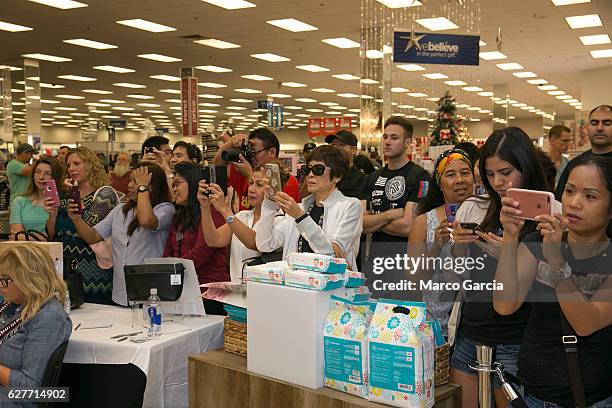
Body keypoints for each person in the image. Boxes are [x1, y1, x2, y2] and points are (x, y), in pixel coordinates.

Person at [448, 127, 561, 408]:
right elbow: (454, 277)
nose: (498, 182)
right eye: (489, 174)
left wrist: (511, 255)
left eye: (506, 172)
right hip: (469, 333)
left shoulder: (553, 214)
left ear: (526, 167)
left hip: (518, 340)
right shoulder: (473, 208)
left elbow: (558, 286)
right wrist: (459, 247)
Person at [495, 155, 612, 407]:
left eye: (590, 196)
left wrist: (556, 260)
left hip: (591, 397)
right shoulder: (538, 242)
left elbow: (585, 323)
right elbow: (505, 305)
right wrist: (509, 237)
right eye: (569, 191)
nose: (575, 203)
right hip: (532, 392)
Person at [66, 164, 174, 306]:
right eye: (130, 181)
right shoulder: (120, 210)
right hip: (120, 294)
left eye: (135, 182)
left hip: (150, 295)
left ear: (151, 186)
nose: (129, 185)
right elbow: (92, 237)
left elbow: (146, 220)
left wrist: (142, 188)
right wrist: (76, 219)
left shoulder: (165, 209)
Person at [255, 145, 363, 270]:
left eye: (318, 169)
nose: (310, 175)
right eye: (307, 170)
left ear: (338, 176)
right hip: (297, 284)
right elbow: (265, 244)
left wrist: (300, 217)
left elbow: (333, 257)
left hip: (332, 287)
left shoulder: (350, 206)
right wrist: (269, 205)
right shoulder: (301, 208)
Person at [408, 148, 474, 338]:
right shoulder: (424, 222)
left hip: (474, 327)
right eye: (450, 174)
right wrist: (436, 247)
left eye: (465, 173)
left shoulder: (488, 216)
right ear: (440, 183)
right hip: (435, 326)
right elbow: (413, 282)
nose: (460, 180)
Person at [360, 116, 431, 284]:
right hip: (375, 263)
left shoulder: (420, 177)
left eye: (394, 137)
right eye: (385, 137)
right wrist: (390, 215)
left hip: (404, 265)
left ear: (407, 143)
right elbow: (360, 224)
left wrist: (374, 221)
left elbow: (408, 226)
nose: (387, 142)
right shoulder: (372, 178)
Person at [45, 146, 119, 305]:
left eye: (77, 163)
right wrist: (52, 214)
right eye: (69, 165)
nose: (72, 169)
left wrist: (75, 211)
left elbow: (90, 234)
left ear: (90, 165)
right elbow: (52, 235)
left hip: (94, 272)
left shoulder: (104, 195)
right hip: (66, 271)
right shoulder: (65, 197)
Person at [0, 244, 72, 405]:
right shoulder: (15, 305)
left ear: (27, 279)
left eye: (5, 280)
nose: (1, 286)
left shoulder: (49, 317)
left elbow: (33, 390)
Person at [200, 164, 284, 283]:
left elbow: (255, 243)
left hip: (263, 293)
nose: (251, 189)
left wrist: (224, 209)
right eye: (251, 183)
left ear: (275, 189)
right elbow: (214, 240)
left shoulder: (281, 220)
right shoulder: (242, 216)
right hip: (237, 291)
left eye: (259, 185)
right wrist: (204, 207)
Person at [164, 162, 228, 315]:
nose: (174, 188)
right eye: (173, 184)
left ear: (193, 183)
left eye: (178, 183)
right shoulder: (179, 215)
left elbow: (202, 251)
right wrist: (165, 267)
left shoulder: (212, 211)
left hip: (209, 294)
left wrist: (172, 268)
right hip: (182, 290)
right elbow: (169, 249)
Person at [213, 128, 300, 210]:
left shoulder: (288, 181)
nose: (251, 156)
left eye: (254, 152)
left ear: (272, 152)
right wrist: (232, 142)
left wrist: (250, 176)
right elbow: (218, 163)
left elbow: (275, 214)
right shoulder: (243, 172)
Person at [556, 105, 612, 199]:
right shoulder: (575, 164)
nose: (599, 128)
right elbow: (558, 201)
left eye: (607, 123)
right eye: (594, 123)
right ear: (587, 127)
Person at [10, 156, 64, 240]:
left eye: (48, 173)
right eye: (37, 172)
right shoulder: (19, 202)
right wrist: (42, 238)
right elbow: (16, 236)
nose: (41, 177)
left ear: (56, 177)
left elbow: (53, 237)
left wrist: (26, 237)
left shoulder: (61, 202)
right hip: (25, 251)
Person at [325, 130, 368, 198]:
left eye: (341, 145)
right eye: (333, 145)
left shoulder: (362, 180)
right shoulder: (325, 175)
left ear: (353, 150)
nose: (335, 148)